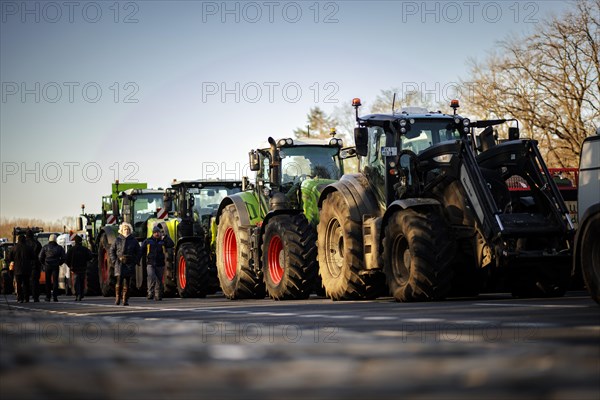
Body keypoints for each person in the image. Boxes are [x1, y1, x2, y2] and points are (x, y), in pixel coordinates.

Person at [110, 222, 140, 306]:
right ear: (121, 230)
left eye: (127, 229)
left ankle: (125, 300)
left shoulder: (133, 240)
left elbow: (139, 251)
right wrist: (114, 260)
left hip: (129, 263)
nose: (126, 231)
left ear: (130, 230)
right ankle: (117, 298)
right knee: (119, 281)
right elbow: (111, 250)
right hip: (119, 263)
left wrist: (135, 261)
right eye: (124, 229)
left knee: (127, 282)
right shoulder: (117, 240)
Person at [142, 225, 174, 301]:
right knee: (151, 277)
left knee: (159, 280)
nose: (157, 234)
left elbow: (171, 244)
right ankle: (150, 293)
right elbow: (141, 250)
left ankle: (158, 295)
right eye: (155, 232)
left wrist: (166, 237)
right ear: (153, 233)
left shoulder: (163, 241)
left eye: (158, 232)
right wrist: (137, 259)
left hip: (160, 263)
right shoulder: (148, 241)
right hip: (150, 263)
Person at [39, 234, 66, 302]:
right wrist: (59, 263)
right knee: (55, 281)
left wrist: (44, 264)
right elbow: (64, 257)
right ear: (55, 239)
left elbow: (40, 257)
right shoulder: (59, 248)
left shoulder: (45, 247)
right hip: (55, 266)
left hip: (47, 266)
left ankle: (48, 297)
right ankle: (55, 297)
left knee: (48, 281)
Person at [8, 235, 35, 303]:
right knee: (26, 284)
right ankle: (26, 298)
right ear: (25, 239)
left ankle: (20, 298)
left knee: (18, 284)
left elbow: (9, 258)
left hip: (17, 269)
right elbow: (33, 257)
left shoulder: (14, 248)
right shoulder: (29, 248)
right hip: (27, 269)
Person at [66, 235, 93, 301]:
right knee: (81, 282)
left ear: (75, 242)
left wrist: (70, 266)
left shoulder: (71, 250)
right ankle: (81, 294)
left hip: (75, 269)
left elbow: (66, 259)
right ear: (81, 241)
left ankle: (78, 294)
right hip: (83, 268)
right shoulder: (85, 249)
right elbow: (90, 257)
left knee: (76, 282)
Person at [25, 229, 43, 302]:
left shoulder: (24, 243)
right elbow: (41, 255)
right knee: (35, 281)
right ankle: (36, 297)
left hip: (26, 265)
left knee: (25, 281)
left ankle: (26, 297)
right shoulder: (37, 243)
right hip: (35, 265)